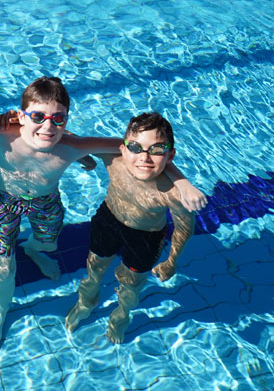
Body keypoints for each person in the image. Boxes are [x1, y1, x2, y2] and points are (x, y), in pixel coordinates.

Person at [0, 77, 206, 349]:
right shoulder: (3, 130)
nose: (48, 126)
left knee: (47, 243)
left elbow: (135, 148)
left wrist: (182, 182)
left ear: (66, 119)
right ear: (21, 116)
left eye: (58, 119)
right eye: (37, 116)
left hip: (45, 202)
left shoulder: (72, 147)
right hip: (4, 202)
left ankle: (33, 251)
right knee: (3, 264)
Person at [64, 112, 198, 343]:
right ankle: (87, 301)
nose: (144, 157)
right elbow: (66, 138)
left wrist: (171, 261)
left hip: (145, 237)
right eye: (136, 147)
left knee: (132, 286)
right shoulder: (113, 160)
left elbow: (185, 227)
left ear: (170, 155)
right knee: (95, 266)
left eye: (156, 149)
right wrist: (80, 156)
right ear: (124, 149)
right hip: (108, 220)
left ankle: (120, 315)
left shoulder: (173, 192)